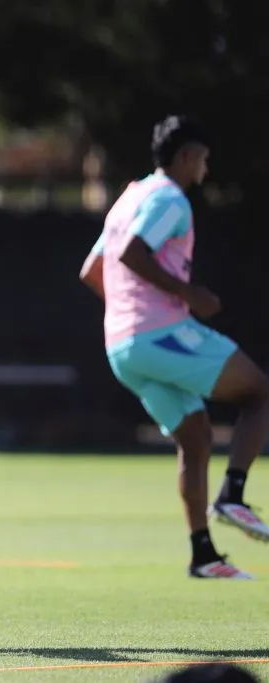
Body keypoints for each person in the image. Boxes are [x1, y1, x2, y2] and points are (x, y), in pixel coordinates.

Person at [79, 115, 269, 579]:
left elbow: (91, 270)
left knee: (196, 436)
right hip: (160, 334)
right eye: (202, 159)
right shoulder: (170, 199)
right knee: (260, 392)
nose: (205, 169)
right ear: (185, 158)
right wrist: (189, 297)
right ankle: (233, 496)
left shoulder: (129, 196)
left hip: (121, 346)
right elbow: (133, 254)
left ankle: (203, 554)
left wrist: (128, 313)